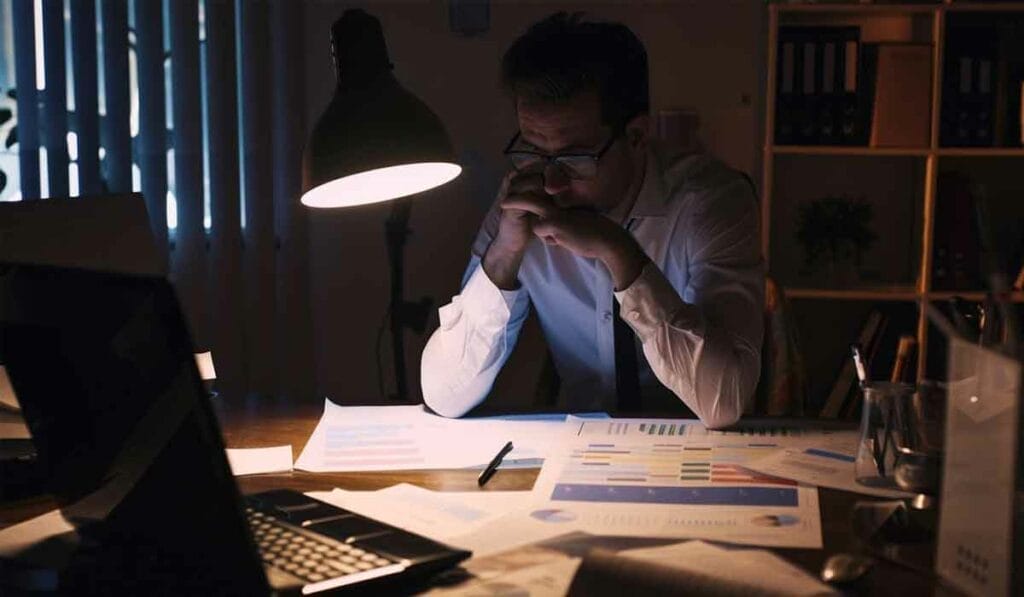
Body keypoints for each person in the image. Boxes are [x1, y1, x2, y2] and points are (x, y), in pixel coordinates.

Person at [420, 12, 763, 429]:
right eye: (532, 150)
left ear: (636, 136)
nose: (552, 181)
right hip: (578, 450)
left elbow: (723, 402)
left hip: (701, 451)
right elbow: (444, 395)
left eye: (574, 158)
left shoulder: (711, 201)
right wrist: (503, 257)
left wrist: (619, 254)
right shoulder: (520, 202)